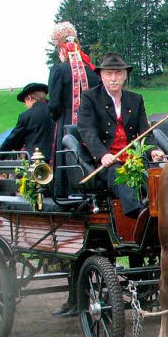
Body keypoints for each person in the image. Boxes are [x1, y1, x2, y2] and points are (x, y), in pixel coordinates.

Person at [78, 52, 150, 217]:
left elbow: (145, 131)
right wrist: (103, 155)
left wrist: (153, 150)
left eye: (118, 73)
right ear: (101, 76)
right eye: (109, 74)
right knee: (120, 175)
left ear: (125, 76)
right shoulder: (89, 97)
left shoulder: (136, 99)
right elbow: (86, 131)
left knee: (155, 175)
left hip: (134, 158)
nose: (113, 78)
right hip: (108, 161)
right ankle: (138, 215)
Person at [48, 21, 100, 138]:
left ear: (61, 50)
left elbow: (54, 105)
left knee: (68, 152)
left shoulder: (58, 70)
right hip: (93, 125)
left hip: (66, 122)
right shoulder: (93, 71)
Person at [0, 83, 54, 162]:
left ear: (29, 98)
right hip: (58, 158)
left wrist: (0, 155)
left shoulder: (26, 116)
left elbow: (13, 139)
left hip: (37, 161)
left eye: (25, 101)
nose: (26, 105)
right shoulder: (55, 110)